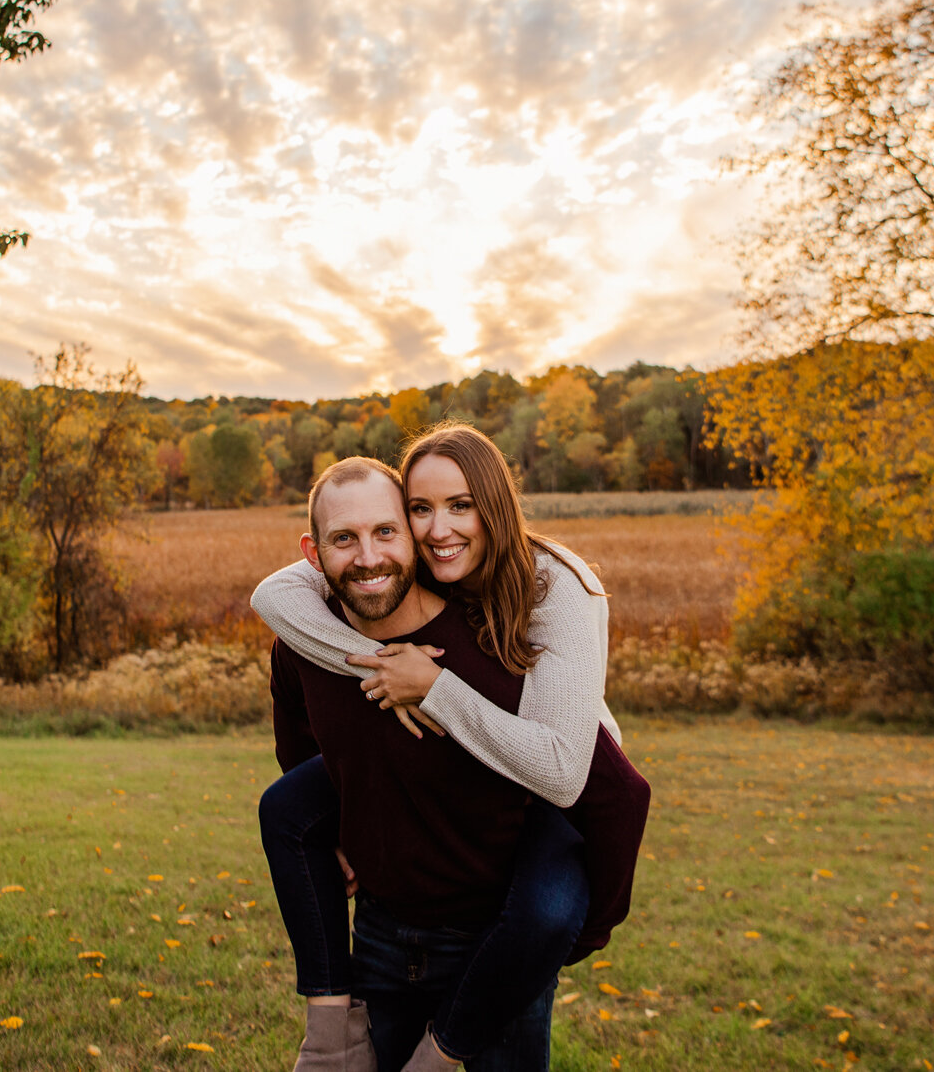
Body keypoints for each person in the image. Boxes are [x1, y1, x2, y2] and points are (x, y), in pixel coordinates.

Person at [257, 427, 650, 1071]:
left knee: (546, 911)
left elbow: (583, 779)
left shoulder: (552, 592)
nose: (438, 529)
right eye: (421, 509)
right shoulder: (344, 597)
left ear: (493, 507)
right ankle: (330, 1027)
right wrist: (379, 667)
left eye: (461, 506)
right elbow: (275, 602)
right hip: (389, 928)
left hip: (554, 763)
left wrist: (435, 687)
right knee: (286, 808)